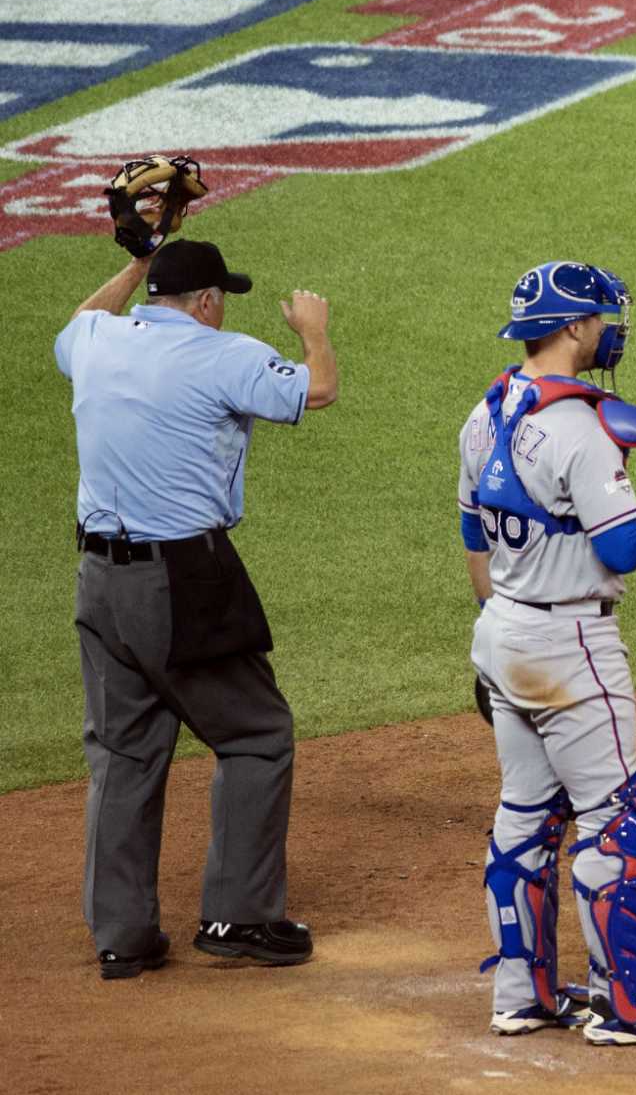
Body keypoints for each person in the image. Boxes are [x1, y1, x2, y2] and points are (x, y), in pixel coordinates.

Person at [55, 237, 338, 977]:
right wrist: (313, 331)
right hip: (182, 579)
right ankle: (239, 918)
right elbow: (316, 390)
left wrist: (137, 265)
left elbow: (76, 321)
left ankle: (121, 937)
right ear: (208, 302)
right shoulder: (226, 353)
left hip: (97, 579)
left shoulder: (95, 338)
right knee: (256, 733)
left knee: (123, 752)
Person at [461, 261, 636, 1048]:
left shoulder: (486, 411)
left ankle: (523, 995)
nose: (610, 329)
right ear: (574, 328)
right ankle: (625, 1007)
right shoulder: (582, 428)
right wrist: (615, 474)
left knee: (526, 816)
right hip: (571, 643)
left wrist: (503, 632)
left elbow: (474, 538)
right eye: (602, 318)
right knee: (619, 818)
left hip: (502, 630)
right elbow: (628, 547)